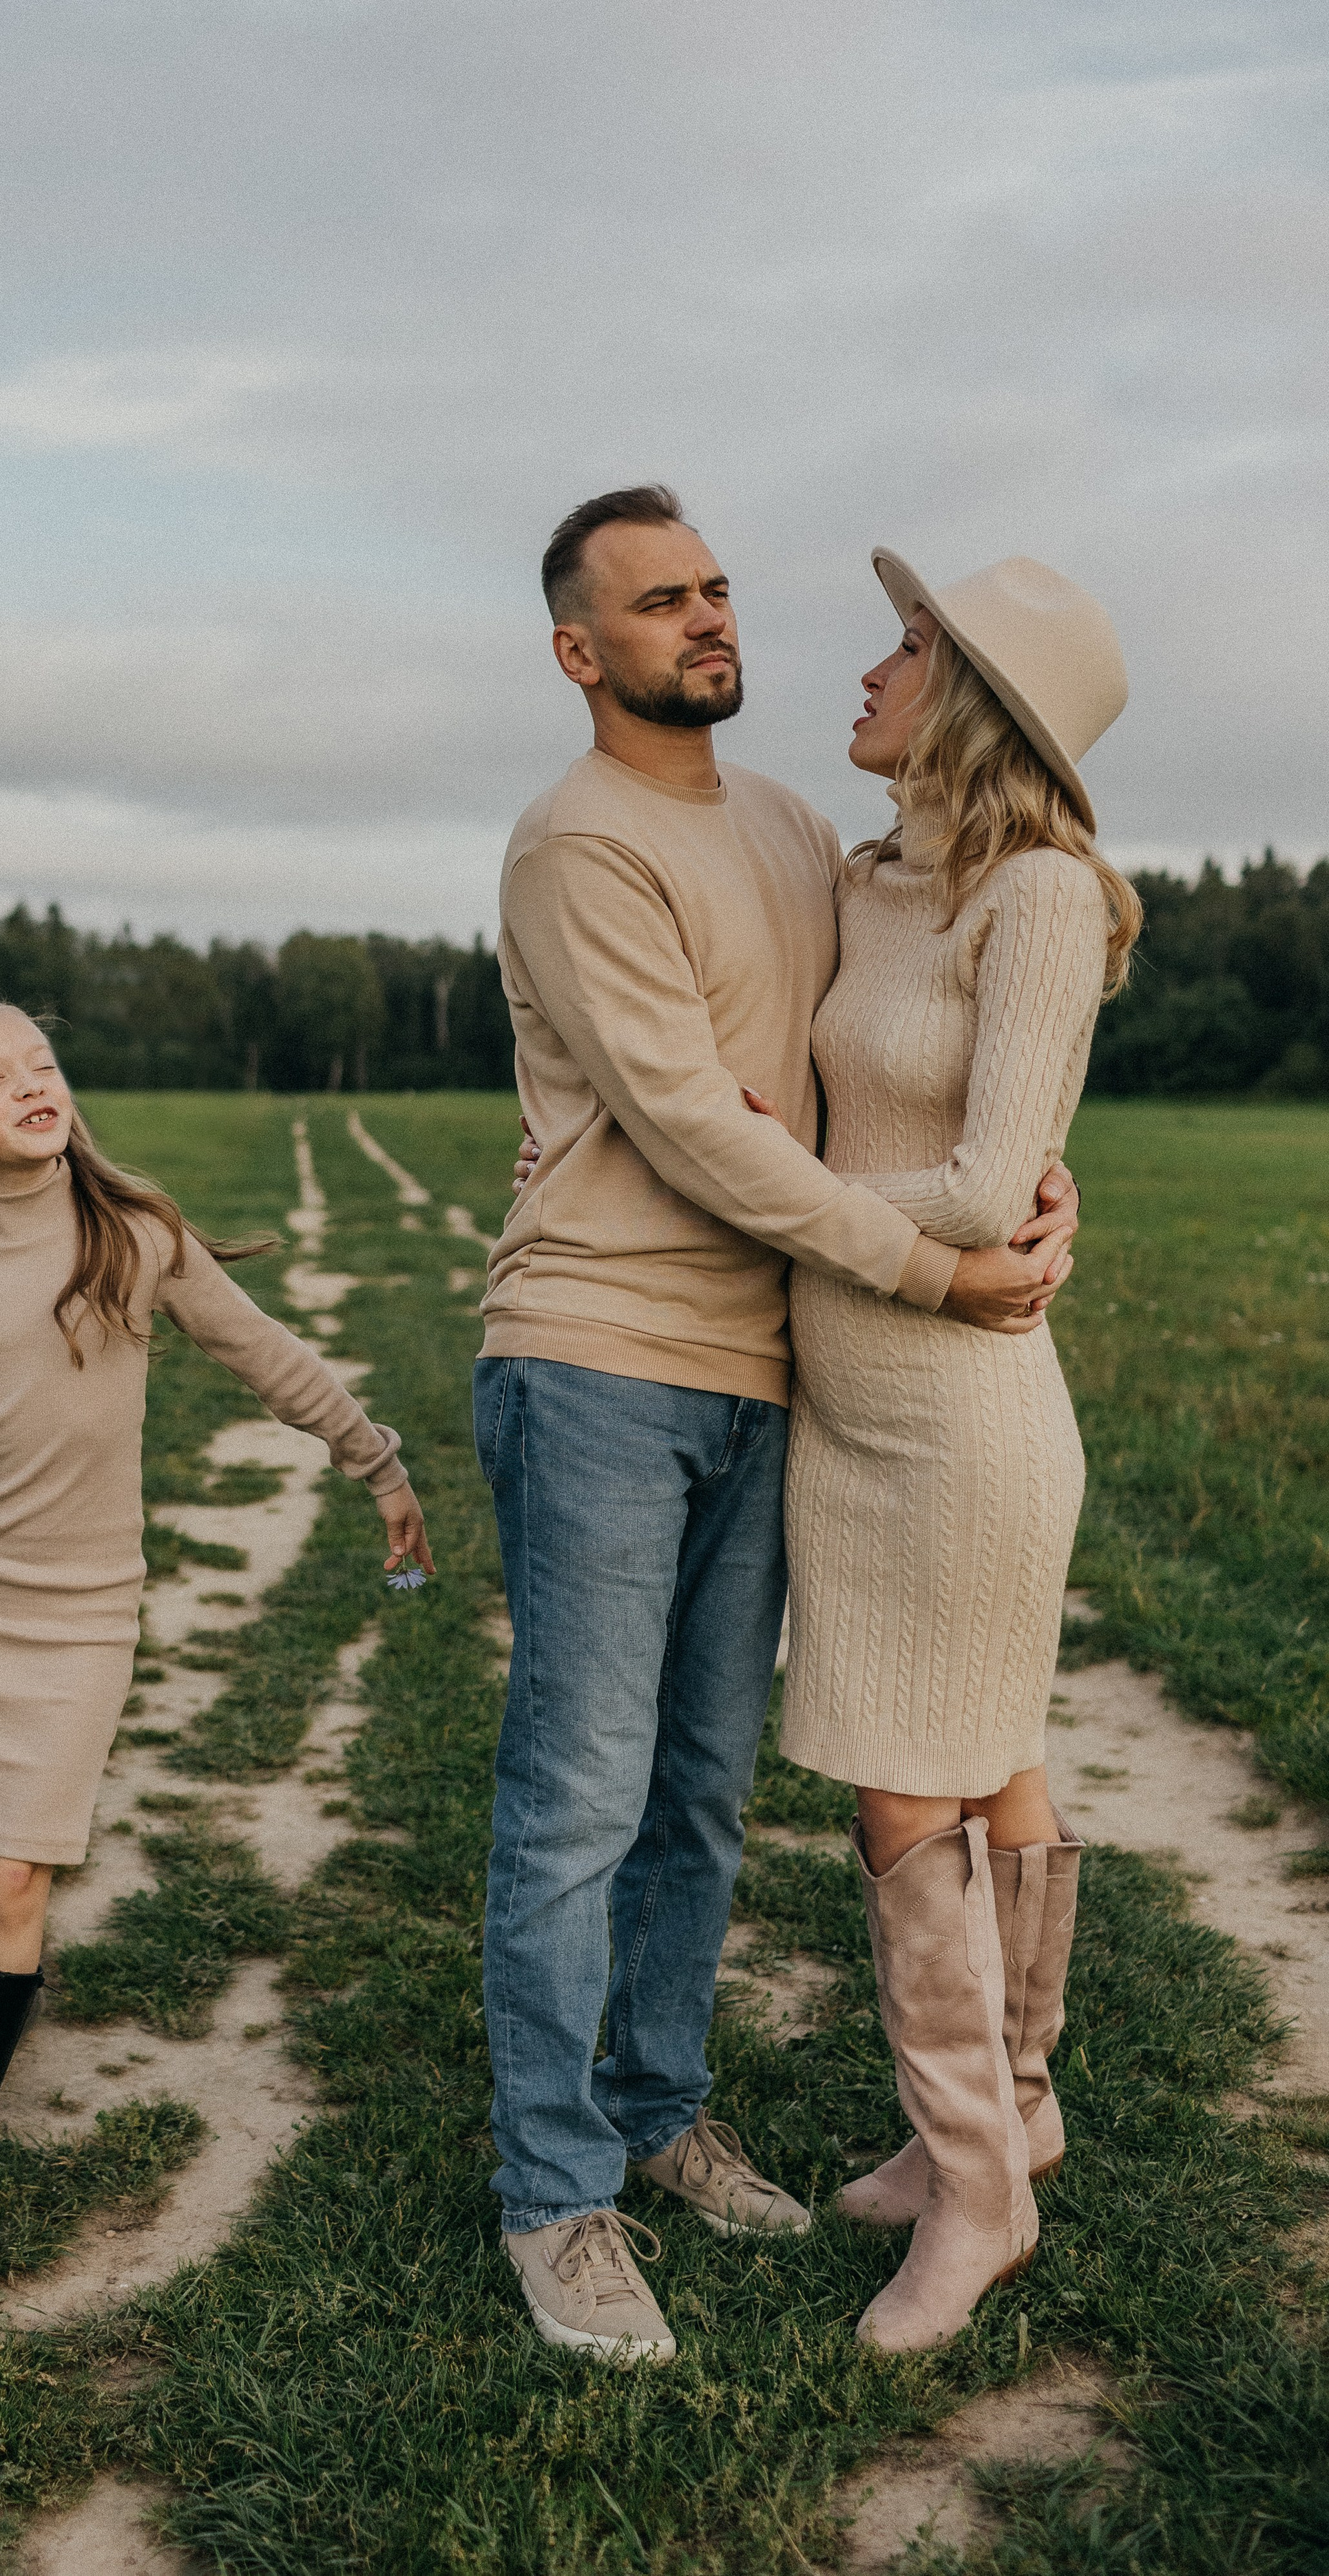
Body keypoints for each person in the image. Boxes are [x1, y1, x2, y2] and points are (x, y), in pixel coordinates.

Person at [477, 485, 1078, 2365]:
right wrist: (937, 1266)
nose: (708, 622)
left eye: (717, 587)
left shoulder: (805, 828)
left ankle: (661, 2118)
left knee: (707, 1790)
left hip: (772, 1373)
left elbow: (922, 1083)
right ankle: (556, 2194)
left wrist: (1038, 1197)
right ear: (583, 653)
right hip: (596, 1352)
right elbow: (705, 1133)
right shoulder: (577, 845)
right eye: (660, 605)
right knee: (580, 1792)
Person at [0, 1002, 431, 2280]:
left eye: (44, 1064)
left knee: (14, 1883)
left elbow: (266, 1355)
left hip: (83, 1615)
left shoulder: (134, 1235)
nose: (33, 1083)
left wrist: (376, 1460)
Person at [747, 548, 1139, 2352]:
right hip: (859, 1404)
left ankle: (973, 2188)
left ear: (974, 703)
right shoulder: (871, 879)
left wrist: (759, 1193)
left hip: (962, 1417)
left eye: (909, 648)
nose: (871, 667)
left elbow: (990, 1186)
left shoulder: (1042, 897)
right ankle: (1017, 2111)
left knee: (914, 1774)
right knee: (975, 1768)